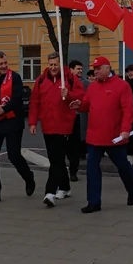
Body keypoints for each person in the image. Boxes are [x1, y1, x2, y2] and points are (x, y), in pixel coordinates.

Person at [68, 57, 133, 213]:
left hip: (114, 137)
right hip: (94, 137)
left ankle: (132, 190)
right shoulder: (92, 87)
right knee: (92, 169)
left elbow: (128, 110)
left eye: (98, 68)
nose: (95, 71)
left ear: (108, 68)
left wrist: (125, 129)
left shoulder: (122, 86)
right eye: (94, 68)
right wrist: (79, 104)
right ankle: (94, 202)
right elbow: (86, 104)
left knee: (123, 167)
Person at [28, 53, 84, 206]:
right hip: (47, 125)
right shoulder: (41, 80)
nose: (53, 67)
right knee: (55, 159)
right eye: (50, 64)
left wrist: (69, 94)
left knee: (56, 159)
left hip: (64, 125)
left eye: (55, 64)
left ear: (61, 64)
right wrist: (33, 122)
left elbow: (81, 95)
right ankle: (65, 187)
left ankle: (50, 192)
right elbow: (35, 102)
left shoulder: (70, 79)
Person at [0, 51, 36, 204]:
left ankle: (28, 177)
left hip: (12, 122)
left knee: (13, 155)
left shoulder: (15, 77)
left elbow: (17, 99)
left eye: (5, 63)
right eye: (0, 64)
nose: (4, 66)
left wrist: (2, 109)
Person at [66, 59, 86, 181]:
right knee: (65, 146)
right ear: (71, 70)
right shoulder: (64, 82)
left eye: (81, 69)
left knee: (75, 146)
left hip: (78, 117)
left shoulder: (85, 83)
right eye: (78, 69)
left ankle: (74, 171)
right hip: (64, 118)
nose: (80, 71)